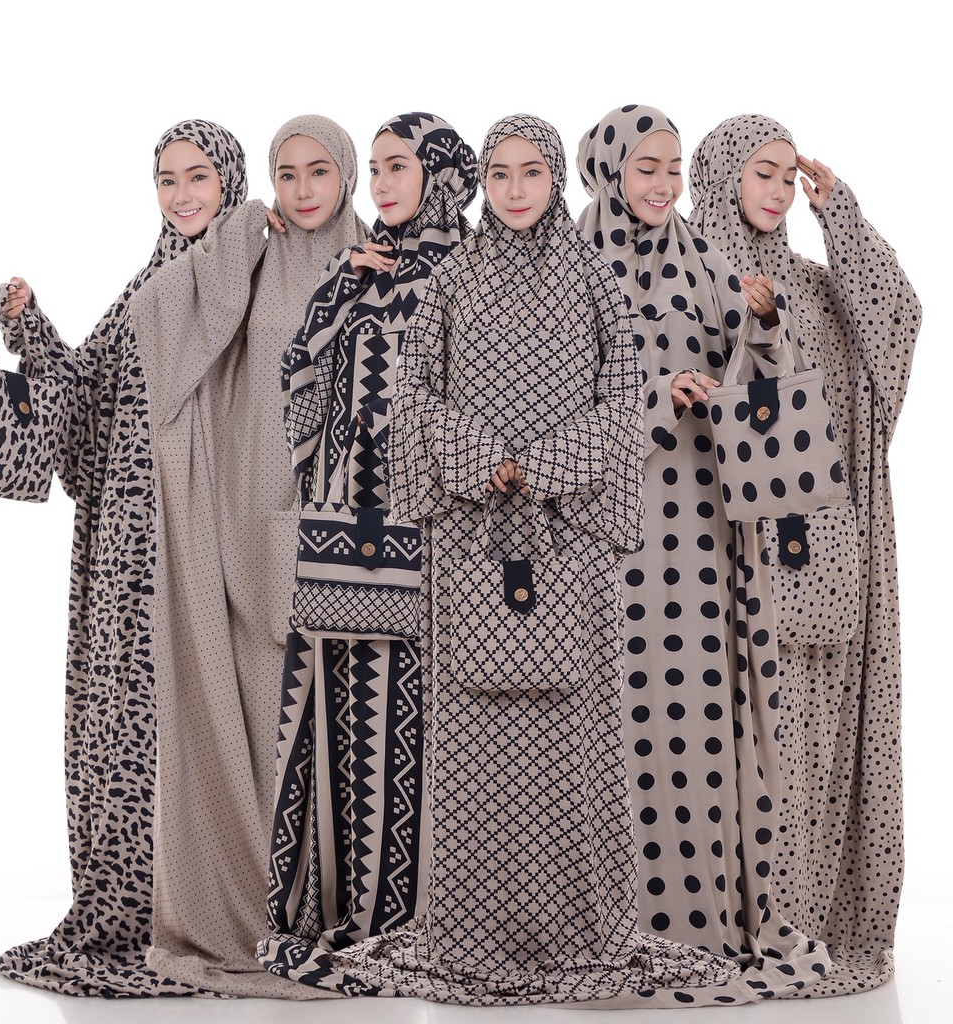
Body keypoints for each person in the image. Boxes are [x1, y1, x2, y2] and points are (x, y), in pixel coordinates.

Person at [298, 114, 792, 1008]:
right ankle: (469, 931)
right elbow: (414, 395)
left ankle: (576, 930)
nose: (516, 189)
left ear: (557, 177)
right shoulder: (453, 280)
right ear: (483, 182)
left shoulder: (592, 280)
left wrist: (545, 469)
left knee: (573, 753)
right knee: (473, 754)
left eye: (532, 172)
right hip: (469, 541)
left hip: (570, 545)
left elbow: (622, 400)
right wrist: (487, 462)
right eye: (500, 173)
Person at [0, 120, 254, 996]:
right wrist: (31, 331)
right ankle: (131, 906)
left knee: (196, 714)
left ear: (229, 180)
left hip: (203, 532)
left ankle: (203, 907)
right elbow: (84, 395)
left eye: (198, 178)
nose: (182, 196)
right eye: (167, 180)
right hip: (124, 541)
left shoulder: (243, 276)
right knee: (125, 715)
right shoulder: (151, 282)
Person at [576, 104, 831, 993]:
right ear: (608, 170)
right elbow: (551, 405)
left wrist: (762, 323)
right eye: (645, 167)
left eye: (674, 168)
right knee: (611, 721)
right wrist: (658, 399)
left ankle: (702, 925)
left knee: (693, 718)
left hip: (698, 530)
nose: (662, 184)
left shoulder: (703, 261)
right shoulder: (572, 266)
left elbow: (759, 383)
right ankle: (607, 923)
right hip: (603, 534)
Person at [129, 115, 367, 997]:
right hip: (253, 525)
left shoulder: (378, 261)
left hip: (364, 537)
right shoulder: (252, 262)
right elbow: (163, 314)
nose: (303, 190)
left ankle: (358, 909)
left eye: (319, 171)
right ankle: (265, 905)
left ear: (346, 175)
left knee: (355, 726)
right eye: (286, 173)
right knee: (270, 718)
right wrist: (234, 233)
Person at [688, 113, 921, 995]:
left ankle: (802, 916)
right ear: (721, 177)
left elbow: (896, 325)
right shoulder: (686, 276)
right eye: (762, 172)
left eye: (789, 175)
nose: (780, 190)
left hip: (817, 549)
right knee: (722, 735)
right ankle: (719, 922)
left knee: (806, 739)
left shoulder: (819, 289)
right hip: (712, 550)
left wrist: (843, 218)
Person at [257, 112, 477, 987]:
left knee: (423, 722)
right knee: (345, 716)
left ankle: (422, 914)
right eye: (375, 169)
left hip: (434, 538)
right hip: (344, 536)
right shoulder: (362, 270)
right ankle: (350, 905)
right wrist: (338, 293)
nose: (381, 185)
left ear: (439, 176)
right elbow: (297, 389)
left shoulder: (470, 272)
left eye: (398, 167)